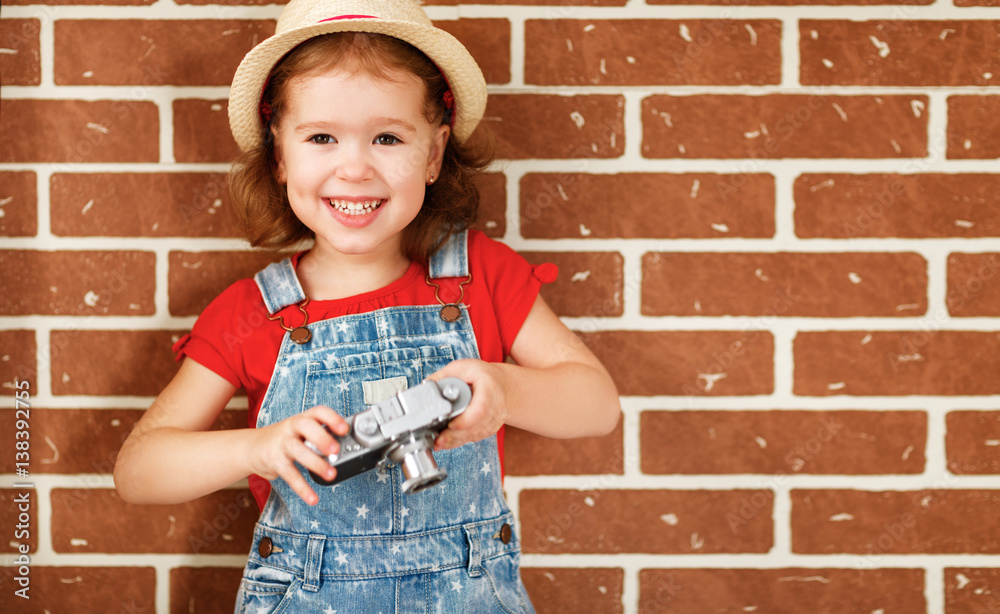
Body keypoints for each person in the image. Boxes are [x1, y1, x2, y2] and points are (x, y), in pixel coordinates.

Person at [113, 0, 620, 611]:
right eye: (321, 137)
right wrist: (256, 448)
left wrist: (505, 391)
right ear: (279, 156)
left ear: (433, 155)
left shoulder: (480, 276)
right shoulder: (250, 313)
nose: (354, 168)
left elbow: (597, 406)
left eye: (387, 137)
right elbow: (138, 471)